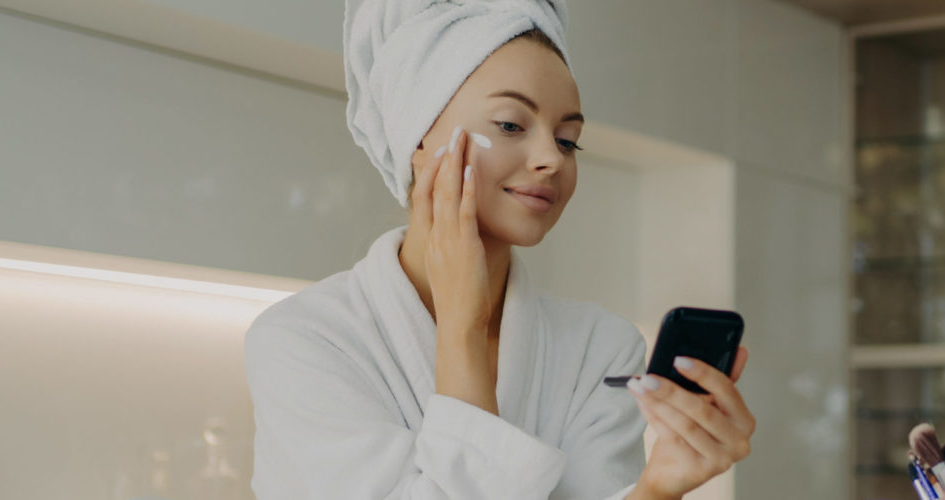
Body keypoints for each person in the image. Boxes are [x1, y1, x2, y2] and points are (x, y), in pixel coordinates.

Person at [245, 1, 755, 499]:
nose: (550, 160)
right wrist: (461, 329)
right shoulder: (306, 340)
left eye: (567, 140)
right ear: (415, 138)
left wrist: (659, 488)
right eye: (511, 124)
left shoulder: (599, 347)